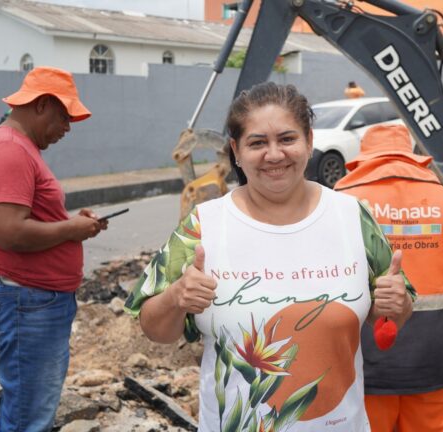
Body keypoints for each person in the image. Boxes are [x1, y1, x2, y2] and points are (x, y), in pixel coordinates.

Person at [125, 82, 415, 431]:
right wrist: (175, 298)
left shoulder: (351, 216)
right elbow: (154, 330)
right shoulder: (204, 225)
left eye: (287, 139)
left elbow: (392, 317)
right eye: (257, 142)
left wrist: (395, 306)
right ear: (236, 150)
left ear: (309, 140)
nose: (274, 154)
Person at [0, 66, 107, 432]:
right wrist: (71, 228)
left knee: (29, 408)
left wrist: (72, 225)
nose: (67, 128)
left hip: (31, 303)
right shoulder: (8, 151)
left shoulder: (18, 148)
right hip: (26, 305)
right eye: (64, 116)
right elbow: (9, 233)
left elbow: (27, 219)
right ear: (43, 104)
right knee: (29, 417)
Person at [334, 124, 443, 432]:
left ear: (362, 159)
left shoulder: (339, 205)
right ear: (412, 157)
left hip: (362, 363)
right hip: (432, 355)